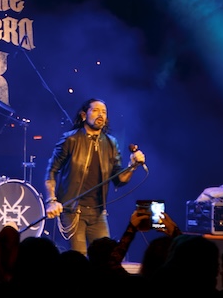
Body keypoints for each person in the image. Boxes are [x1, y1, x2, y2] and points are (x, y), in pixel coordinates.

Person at [43, 97, 146, 256]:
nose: (101, 115)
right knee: (78, 260)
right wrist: (51, 200)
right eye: (96, 110)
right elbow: (51, 171)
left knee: (106, 259)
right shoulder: (70, 139)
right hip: (73, 211)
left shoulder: (111, 143)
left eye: (104, 112)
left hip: (98, 213)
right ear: (84, 115)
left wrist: (132, 166)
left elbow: (119, 180)